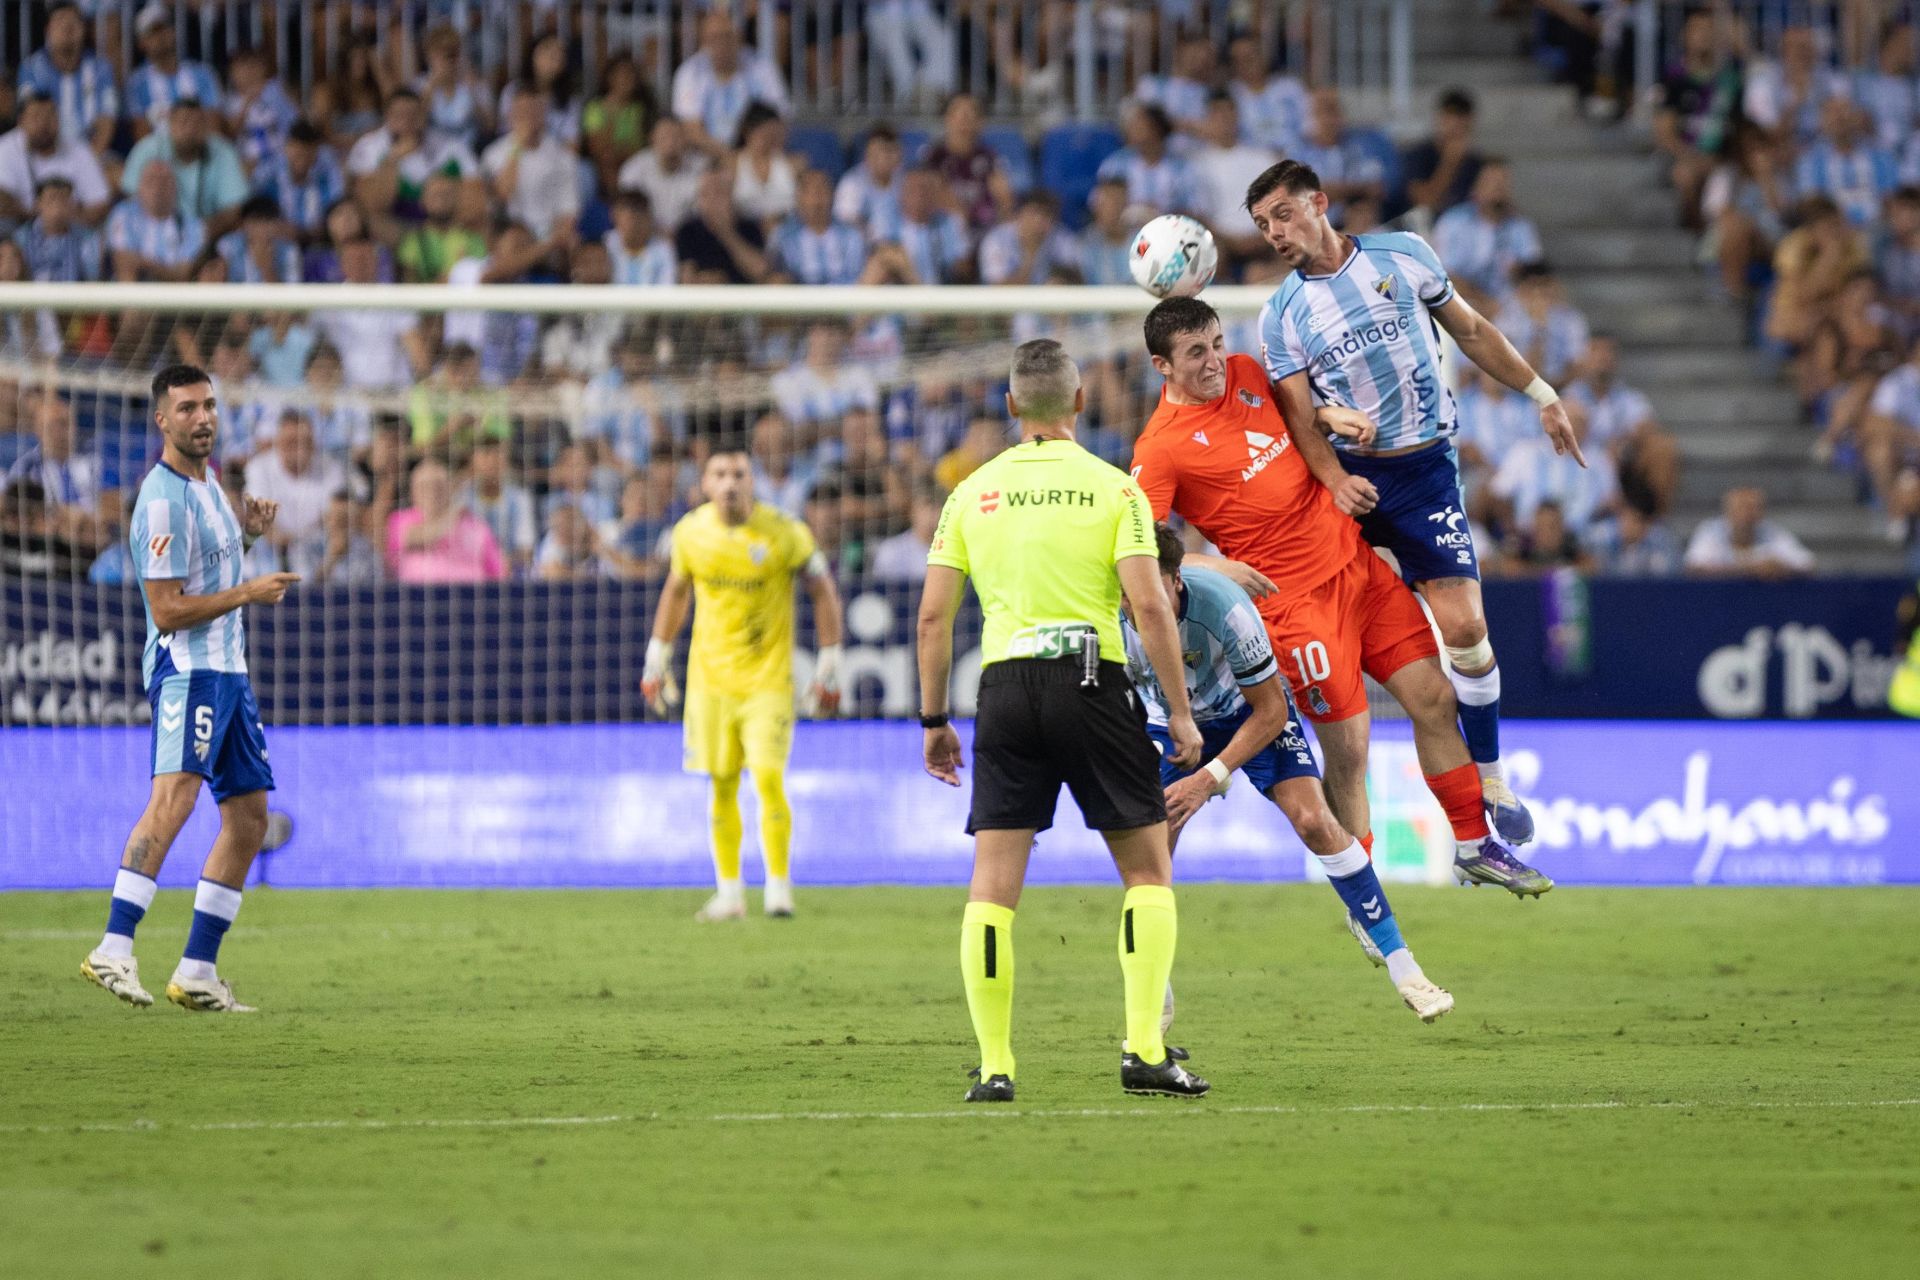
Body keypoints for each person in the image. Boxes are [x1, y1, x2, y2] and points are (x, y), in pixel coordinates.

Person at [1133, 294, 1550, 896]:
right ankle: (1366, 895)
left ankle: (1472, 845)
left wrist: (1330, 419)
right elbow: (1141, 554)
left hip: (1358, 568)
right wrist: (1219, 566)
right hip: (1294, 606)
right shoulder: (1159, 448)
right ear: (1161, 366)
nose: (1215, 360)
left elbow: (1296, 417)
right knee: (1350, 752)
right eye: (1196, 352)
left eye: (1218, 343)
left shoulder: (1248, 373)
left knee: (1435, 698)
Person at [1246, 159, 1580, 859]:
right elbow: (1298, 417)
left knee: (1465, 626)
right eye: (1260, 224)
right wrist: (1334, 476)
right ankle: (1348, 852)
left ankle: (1491, 780)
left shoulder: (1403, 255)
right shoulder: (1281, 316)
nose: (1272, 233)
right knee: (1336, 678)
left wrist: (1543, 395)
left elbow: (1474, 330)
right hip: (1353, 488)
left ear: (1319, 204)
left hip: (1426, 472)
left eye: (1281, 215)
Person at [917, 338, 1209, 1103]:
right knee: (1147, 871)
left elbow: (932, 619)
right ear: (1079, 403)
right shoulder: (1116, 489)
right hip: (1092, 680)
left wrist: (931, 720)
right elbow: (1150, 606)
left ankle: (995, 1067)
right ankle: (1144, 1050)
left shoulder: (970, 493)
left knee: (992, 886)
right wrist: (1180, 712)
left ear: (1012, 406)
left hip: (1005, 688)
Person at [1121, 523, 1453, 1024]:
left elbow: (1272, 711)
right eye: (1127, 593)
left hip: (1245, 712)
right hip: (1167, 721)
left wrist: (1210, 776)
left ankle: (1405, 969)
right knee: (1152, 845)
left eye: (1147, 591)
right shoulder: (1108, 613)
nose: (1135, 605)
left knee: (1315, 820)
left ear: (1176, 579)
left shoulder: (1226, 609)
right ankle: (1153, 991)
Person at [80, 364, 299, 1014]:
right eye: (186, 408)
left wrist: (250, 538)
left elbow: (212, 577)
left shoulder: (208, 485)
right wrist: (252, 592)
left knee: (250, 817)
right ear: (162, 420)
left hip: (230, 673)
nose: (202, 417)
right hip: (191, 672)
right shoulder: (162, 499)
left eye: (208, 404)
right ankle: (113, 949)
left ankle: (198, 969)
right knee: (173, 801)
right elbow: (169, 609)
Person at [642, 444, 846, 922]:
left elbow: (822, 589)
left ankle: (778, 887)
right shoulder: (690, 533)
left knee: (770, 777)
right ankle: (730, 893)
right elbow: (676, 592)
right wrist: (657, 654)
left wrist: (830, 660)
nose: (730, 483)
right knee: (722, 784)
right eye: (720, 474)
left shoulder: (786, 533)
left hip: (767, 680)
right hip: (710, 681)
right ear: (705, 485)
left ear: (752, 482)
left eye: (739, 473)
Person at [1683, 487, 1815, 578]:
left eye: (1752, 508)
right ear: (1728, 512)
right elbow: (1694, 566)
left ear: (1761, 513)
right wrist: (1748, 570)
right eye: (1740, 508)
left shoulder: (1773, 533)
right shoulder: (1710, 531)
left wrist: (1782, 568)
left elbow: (1807, 563)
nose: (1746, 515)